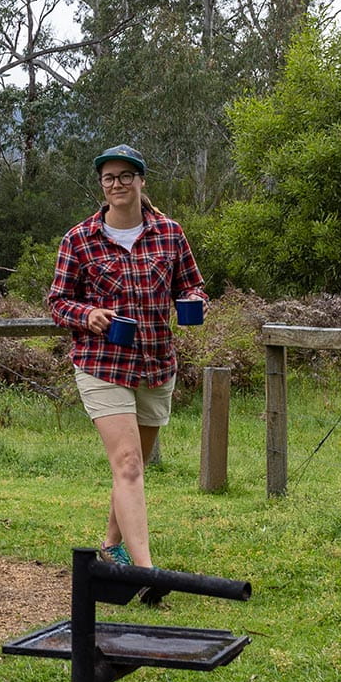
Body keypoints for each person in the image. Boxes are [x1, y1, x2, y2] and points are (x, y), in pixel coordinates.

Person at [45, 144, 206, 572]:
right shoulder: (79, 239)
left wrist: (192, 301)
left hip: (157, 363)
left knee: (135, 466)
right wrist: (89, 314)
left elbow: (192, 285)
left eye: (125, 176)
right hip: (102, 364)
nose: (117, 184)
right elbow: (58, 303)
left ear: (141, 181)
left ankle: (110, 546)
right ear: (102, 185)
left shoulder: (170, 233)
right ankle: (145, 571)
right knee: (129, 464)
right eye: (109, 178)